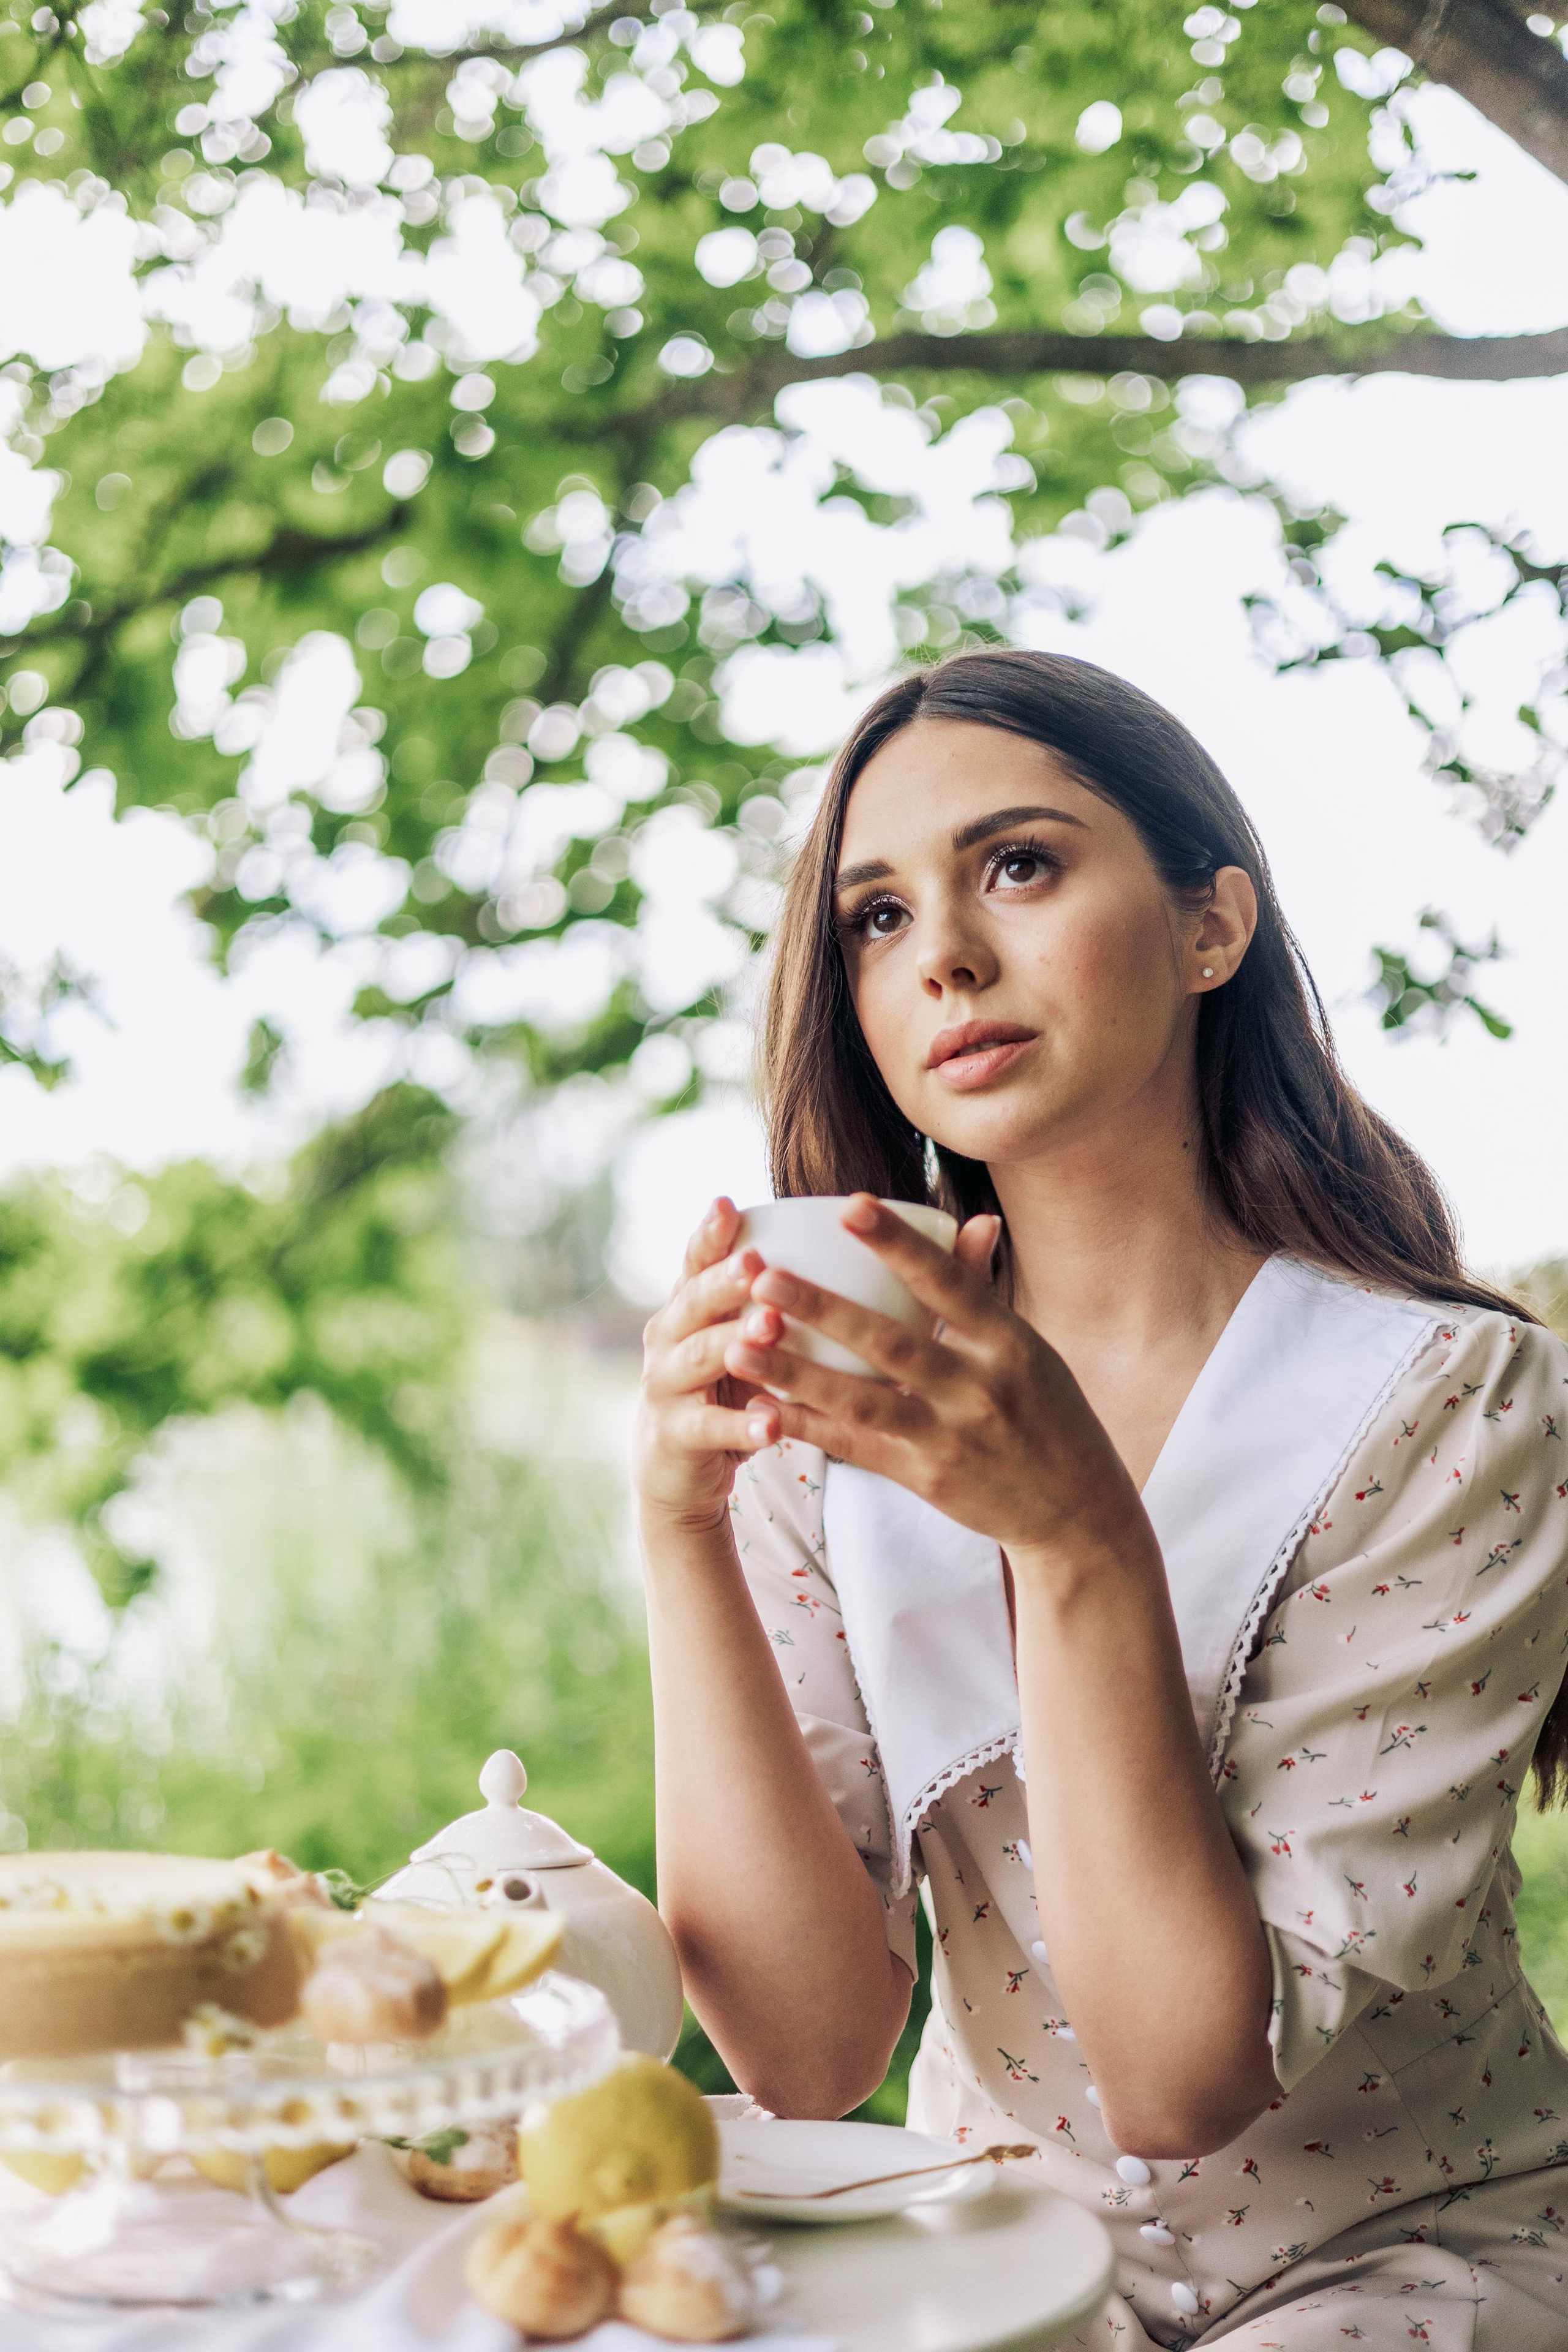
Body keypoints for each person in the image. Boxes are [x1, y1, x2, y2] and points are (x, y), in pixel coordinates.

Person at [633, 649, 1568, 2348]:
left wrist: (1073, 1544)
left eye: (1020, 865)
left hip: (1406, 2262)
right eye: (878, 919)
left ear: (1213, 927)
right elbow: (805, 2056)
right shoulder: (831, 1430)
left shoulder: (1450, 1405)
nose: (949, 960)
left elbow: (1179, 2076)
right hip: (986, 2261)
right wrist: (682, 1531)